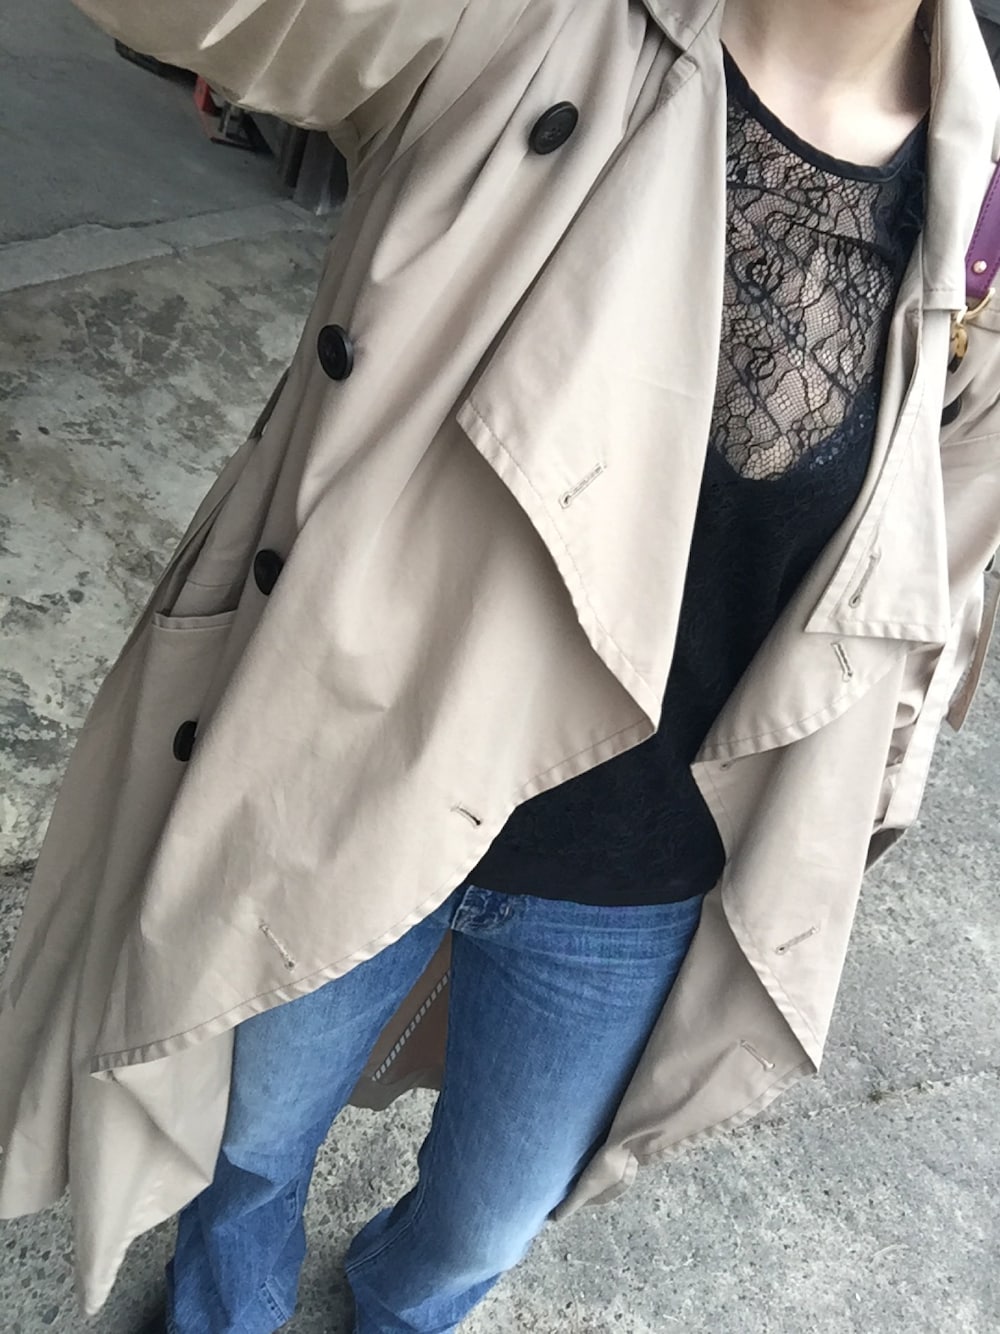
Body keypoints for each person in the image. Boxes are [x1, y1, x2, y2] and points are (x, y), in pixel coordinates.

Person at [1, 1, 998, 1332]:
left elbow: (919, 588)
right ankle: (221, 1306)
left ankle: (398, 1309)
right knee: (250, 1139)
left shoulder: (977, 218)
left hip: (640, 871)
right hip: (369, 767)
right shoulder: (528, 26)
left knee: (491, 1218)